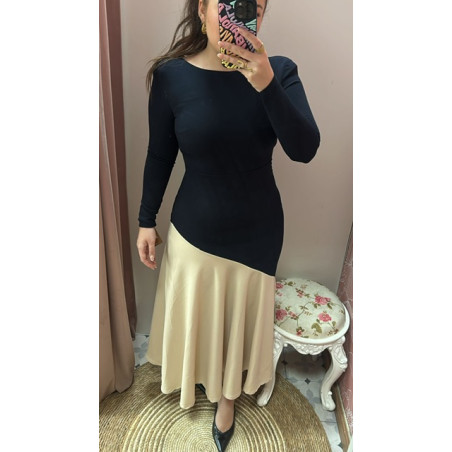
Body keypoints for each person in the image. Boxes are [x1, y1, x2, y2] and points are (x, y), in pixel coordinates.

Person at [136, 0, 320, 450]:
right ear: (202, 9)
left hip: (257, 233)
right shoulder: (171, 76)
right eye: (226, 4)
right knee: (199, 317)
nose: (238, 14)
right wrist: (145, 220)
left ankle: (227, 399)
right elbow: (160, 154)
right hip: (194, 231)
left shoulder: (280, 71)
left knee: (237, 321)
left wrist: (266, 83)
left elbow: (304, 149)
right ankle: (195, 378)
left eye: (252, 5)